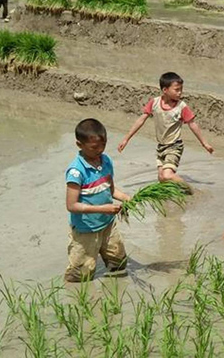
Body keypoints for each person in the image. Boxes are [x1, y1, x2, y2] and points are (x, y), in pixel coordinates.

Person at [118, 72, 214, 185]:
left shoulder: (181, 107)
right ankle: (176, 194)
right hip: (161, 146)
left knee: (167, 175)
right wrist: (126, 139)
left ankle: (190, 190)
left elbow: (192, 124)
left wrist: (204, 143)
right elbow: (141, 120)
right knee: (162, 178)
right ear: (165, 90)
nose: (180, 93)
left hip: (174, 145)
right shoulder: (154, 103)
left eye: (181, 89)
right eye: (176, 90)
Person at [64, 118, 130, 282]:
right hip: (85, 230)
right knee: (81, 276)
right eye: (94, 147)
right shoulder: (76, 172)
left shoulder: (106, 161)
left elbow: (111, 189)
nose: (100, 150)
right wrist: (103, 208)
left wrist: (127, 198)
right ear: (79, 145)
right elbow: (71, 205)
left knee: (119, 263)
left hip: (108, 225)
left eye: (103, 145)